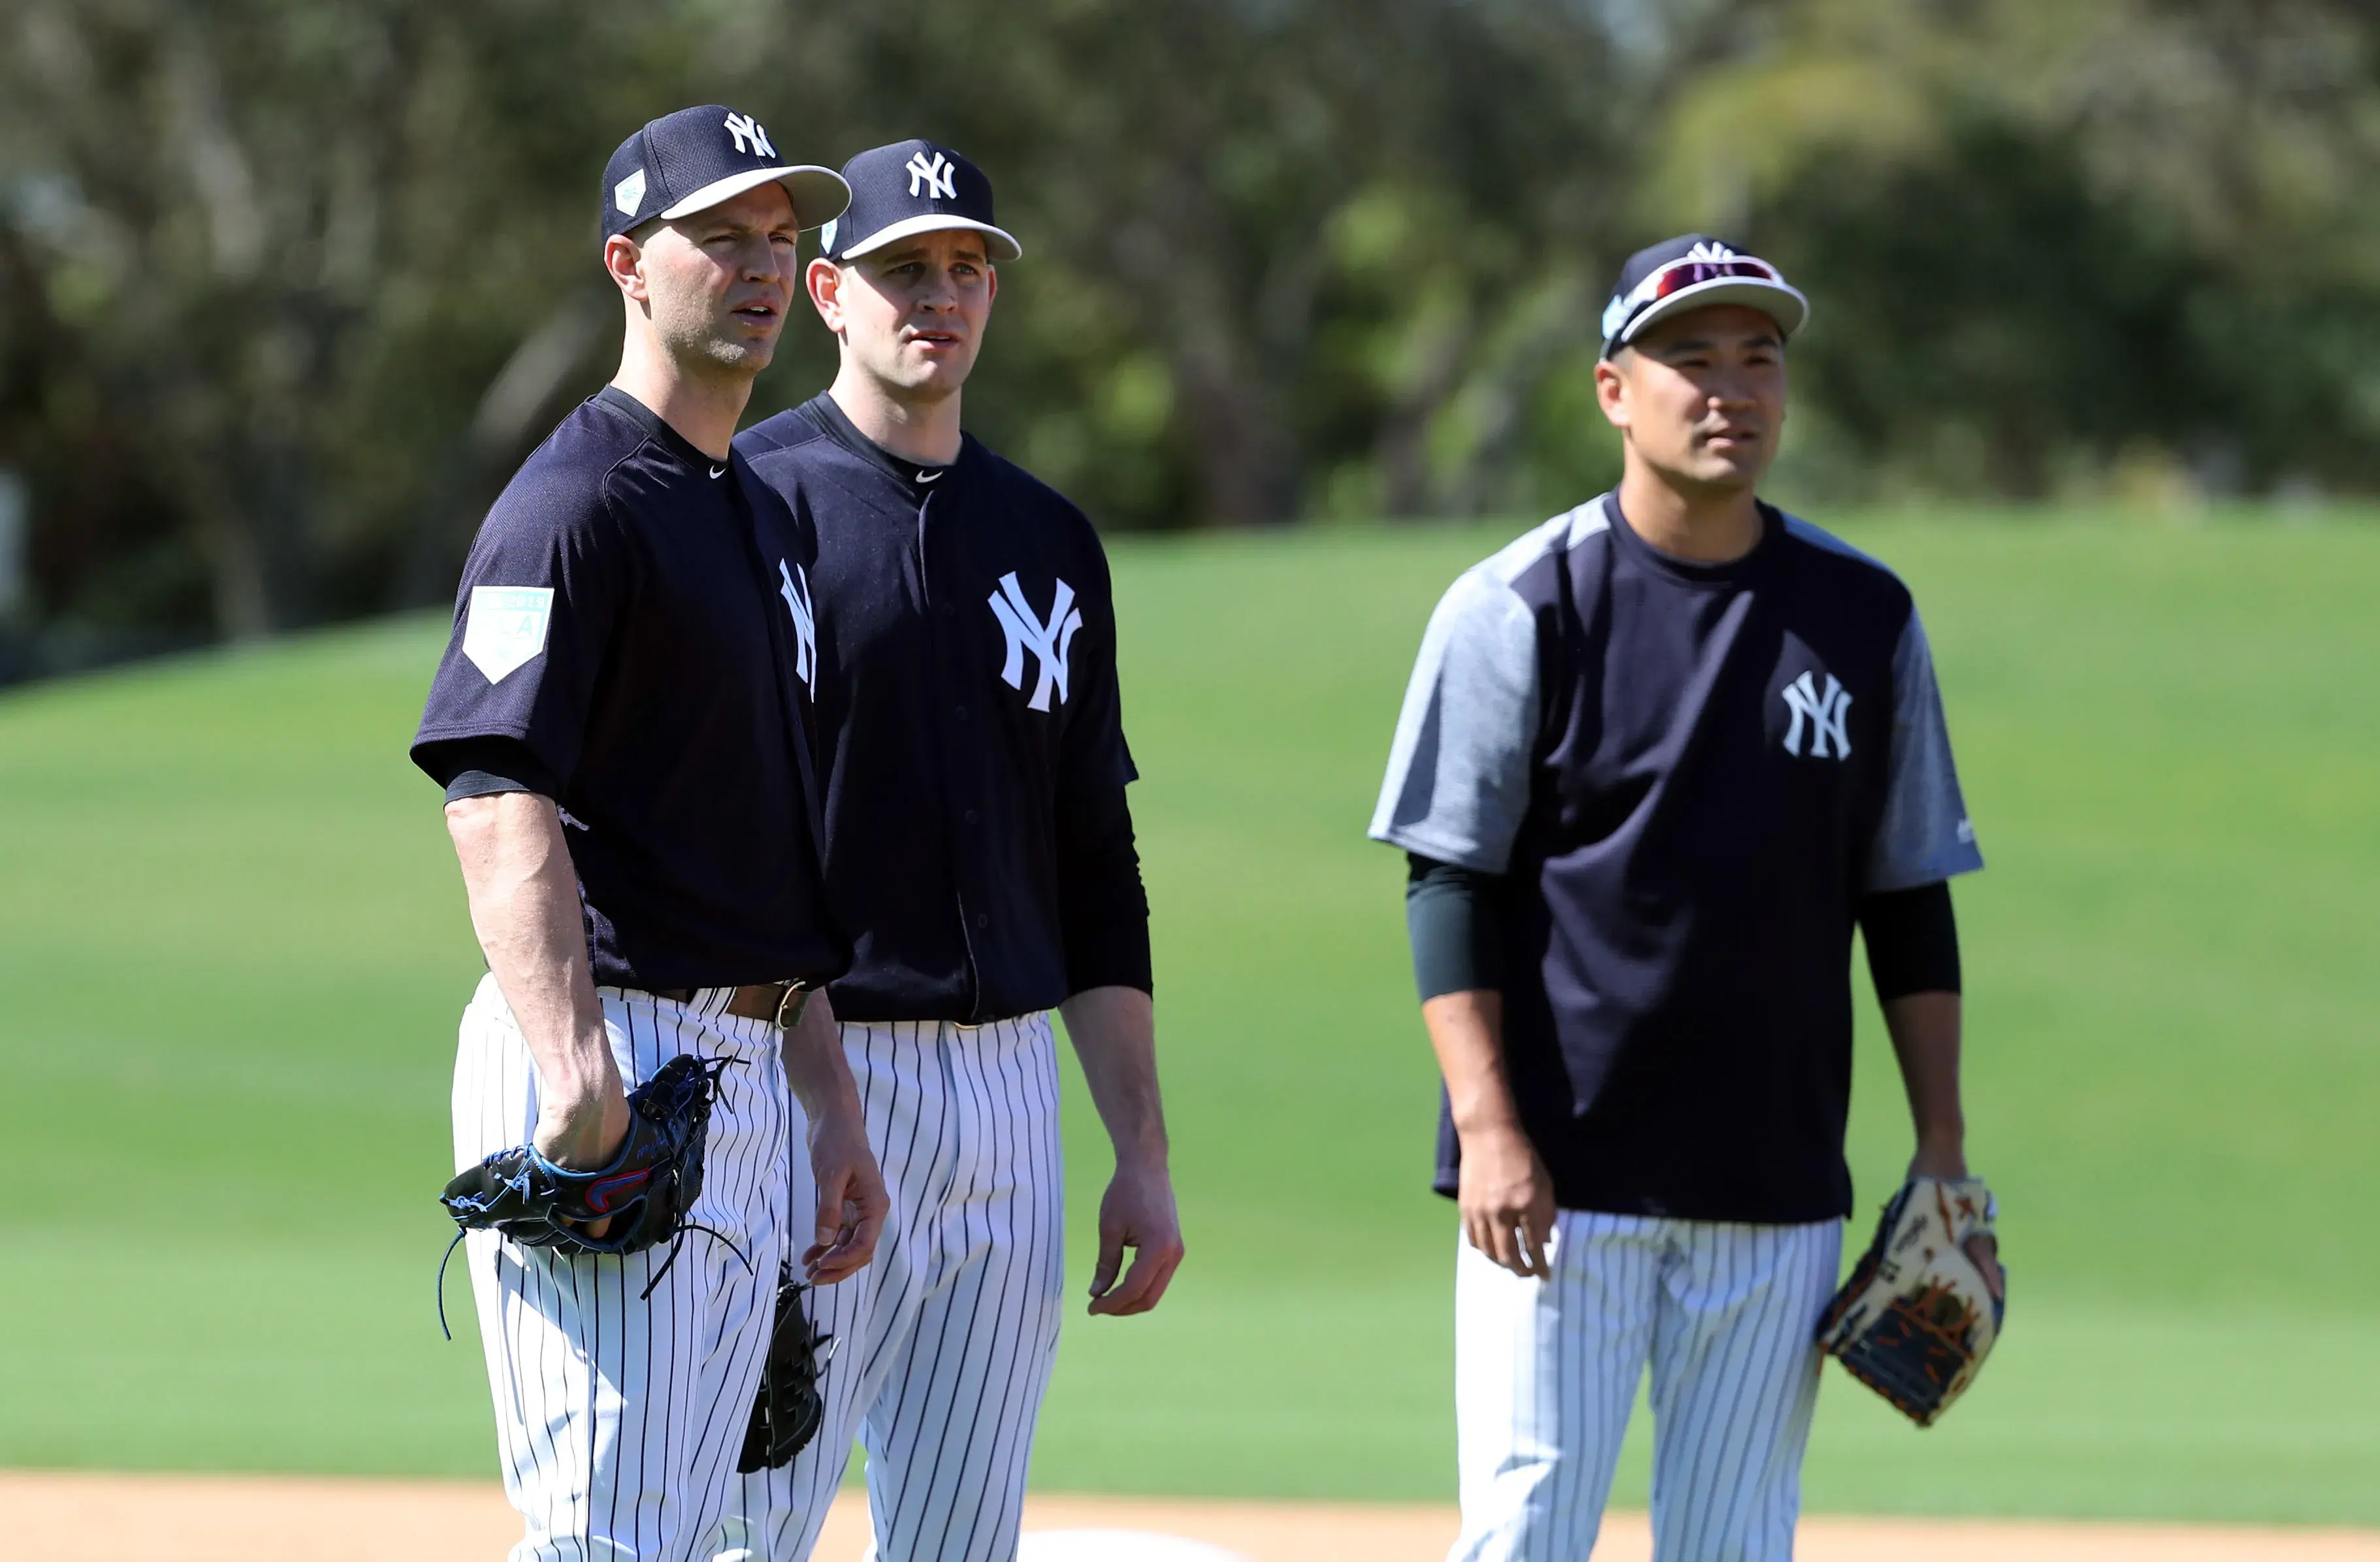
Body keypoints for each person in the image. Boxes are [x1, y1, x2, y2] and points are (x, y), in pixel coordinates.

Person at [1368, 234, 2002, 1561]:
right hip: (1555, 1183)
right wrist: (1487, 1127)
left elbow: (1906, 898)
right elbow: (1449, 880)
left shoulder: (1861, 614)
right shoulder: (1517, 605)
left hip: (1772, 1186)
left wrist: (1941, 1147)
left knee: (1735, 1543)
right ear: (1614, 390)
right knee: (1526, 1532)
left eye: (1757, 358)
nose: (1730, 387)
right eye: (1689, 358)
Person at [410, 105, 890, 1562]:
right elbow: (495, 790)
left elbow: (764, 854)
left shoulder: (753, 513)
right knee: (611, 1534)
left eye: (778, 237)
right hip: (613, 1060)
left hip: (740, 1070)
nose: (759, 266)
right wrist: (574, 1079)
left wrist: (829, 1104)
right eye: (719, 237)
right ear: (628, 262)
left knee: (705, 1532)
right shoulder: (573, 505)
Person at [716, 140, 1185, 1562]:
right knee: (749, 1518)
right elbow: (726, 835)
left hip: (1007, 1089)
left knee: (964, 1538)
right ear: (830, 294)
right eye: (906, 266)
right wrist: (808, 1071)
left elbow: (1093, 853)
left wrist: (1140, 1148)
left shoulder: (1047, 535)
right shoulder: (750, 501)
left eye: (967, 265)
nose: (941, 293)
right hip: (806, 1064)